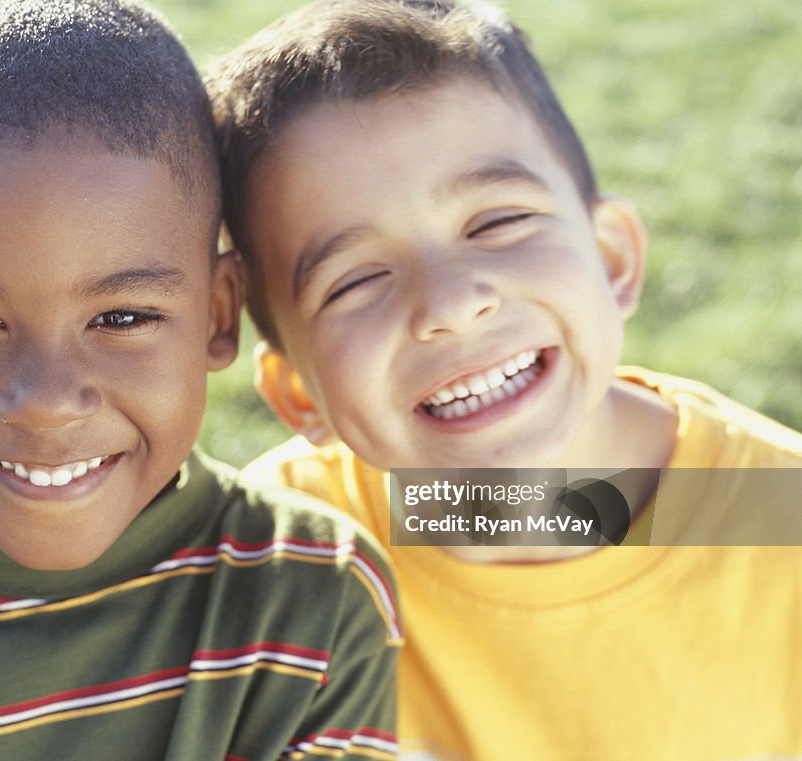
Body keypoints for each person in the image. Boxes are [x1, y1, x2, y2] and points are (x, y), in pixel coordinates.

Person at [0, 2, 403, 759]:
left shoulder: (311, 603)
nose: (45, 401)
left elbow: (585, 503)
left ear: (217, 312)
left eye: (122, 318)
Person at [207, 0, 802, 758]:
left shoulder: (783, 527)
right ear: (297, 394)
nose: (451, 305)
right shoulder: (268, 569)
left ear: (612, 258)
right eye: (355, 279)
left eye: (496, 223)